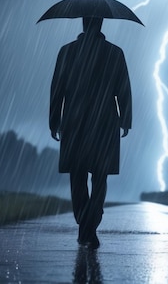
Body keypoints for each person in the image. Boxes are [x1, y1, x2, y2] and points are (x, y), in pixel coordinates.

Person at [49, 16, 132, 249]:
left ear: (83, 24)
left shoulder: (67, 51)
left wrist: (54, 122)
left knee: (77, 177)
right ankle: (90, 226)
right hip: (104, 123)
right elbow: (123, 89)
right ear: (101, 24)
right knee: (100, 176)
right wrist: (125, 119)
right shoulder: (114, 53)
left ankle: (84, 225)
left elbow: (58, 90)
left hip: (75, 123)